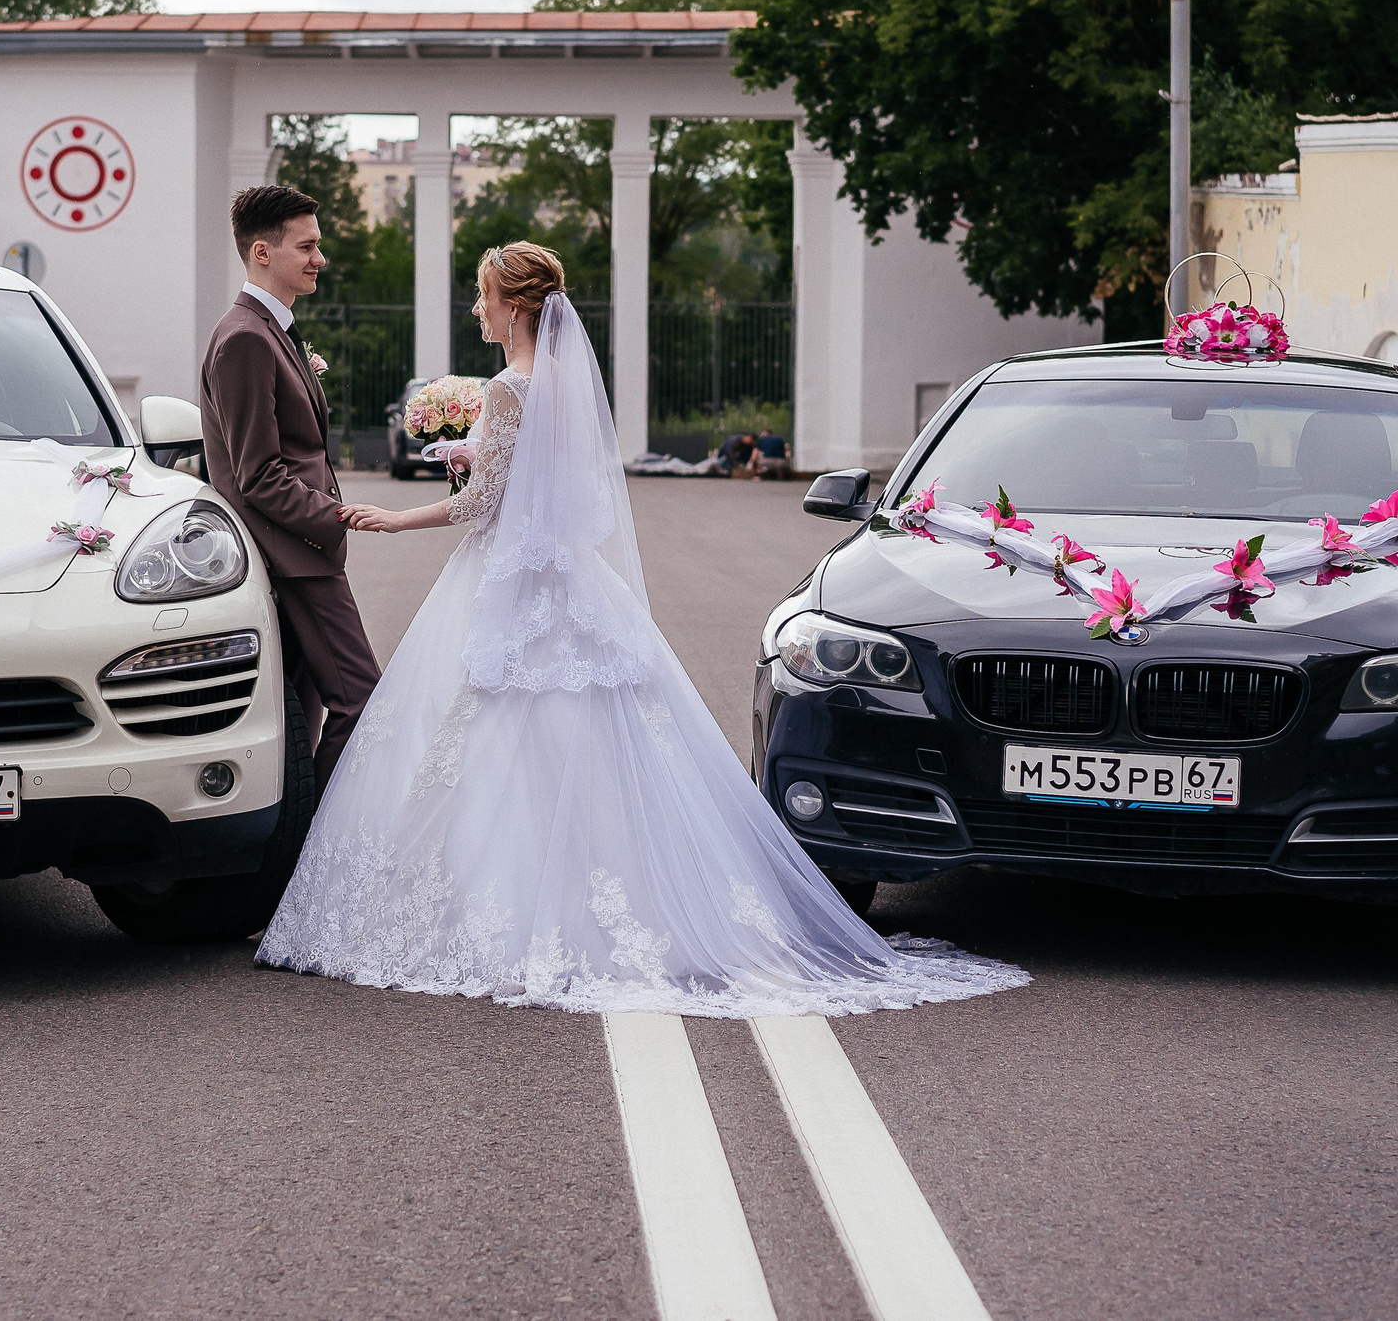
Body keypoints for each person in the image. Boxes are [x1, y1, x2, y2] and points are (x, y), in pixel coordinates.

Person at [259, 242, 1027, 1017]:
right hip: (569, 580)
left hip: (504, 580)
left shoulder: (504, 387)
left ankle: (519, 903)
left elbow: (478, 506)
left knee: (483, 729)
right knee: (597, 732)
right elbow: (548, 476)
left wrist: (395, 519)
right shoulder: (561, 382)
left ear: (516, 307)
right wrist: (473, 446)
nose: (477, 309)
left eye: (485, 297)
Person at [198, 185, 382, 789]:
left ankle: (292, 854)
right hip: (295, 554)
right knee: (360, 698)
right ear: (261, 252)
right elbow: (258, 475)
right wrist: (338, 516)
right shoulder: (246, 337)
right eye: (306, 246)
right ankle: (321, 845)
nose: (319, 259)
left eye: (317, 245)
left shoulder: (271, 329)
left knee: (299, 714)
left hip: (304, 550)